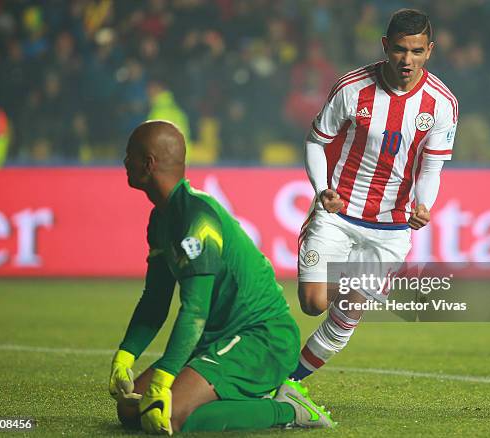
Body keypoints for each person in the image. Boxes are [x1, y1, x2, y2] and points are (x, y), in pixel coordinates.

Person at [109, 120, 334, 434]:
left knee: (169, 417)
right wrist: (125, 354)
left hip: (261, 340)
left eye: (129, 155)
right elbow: (155, 300)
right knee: (130, 409)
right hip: (217, 341)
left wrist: (163, 379)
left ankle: (287, 409)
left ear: (148, 164)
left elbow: (195, 311)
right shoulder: (160, 219)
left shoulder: (197, 219)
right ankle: (227, 396)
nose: (124, 162)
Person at [292, 9, 458, 380]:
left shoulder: (442, 104)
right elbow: (315, 142)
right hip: (340, 210)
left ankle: (288, 382)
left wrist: (423, 204)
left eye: (416, 52)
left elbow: (431, 167)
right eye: (400, 50)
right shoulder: (352, 88)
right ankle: (358, 282)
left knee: (348, 312)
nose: (407, 60)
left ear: (430, 50)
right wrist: (322, 192)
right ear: (386, 46)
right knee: (313, 303)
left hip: (391, 224)